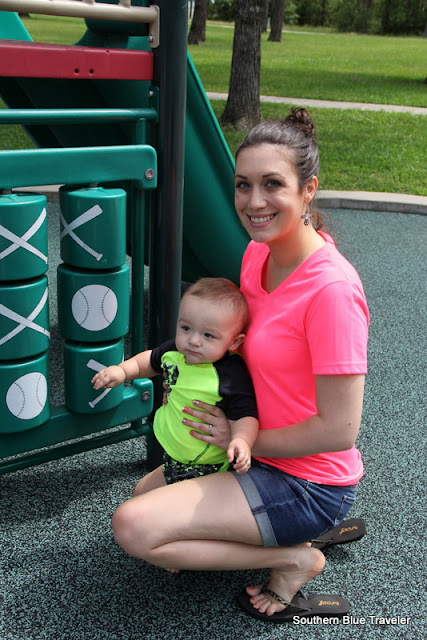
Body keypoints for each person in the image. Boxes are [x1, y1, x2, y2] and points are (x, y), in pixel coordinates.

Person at [109, 108, 370, 623]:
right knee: (144, 497)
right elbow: (233, 347)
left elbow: (339, 430)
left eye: (272, 184)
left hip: (305, 480)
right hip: (247, 450)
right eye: (243, 184)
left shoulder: (333, 293)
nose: (253, 202)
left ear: (308, 190)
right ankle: (283, 534)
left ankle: (294, 558)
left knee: (134, 527)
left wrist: (240, 437)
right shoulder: (258, 255)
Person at [92, 277, 259, 482]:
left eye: (208, 335)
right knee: (140, 491)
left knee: (156, 500)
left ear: (234, 342)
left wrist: (242, 440)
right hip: (175, 453)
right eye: (186, 328)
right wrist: (122, 371)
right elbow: (149, 361)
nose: (193, 341)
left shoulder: (230, 374)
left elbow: (245, 414)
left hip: (205, 464)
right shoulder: (175, 352)